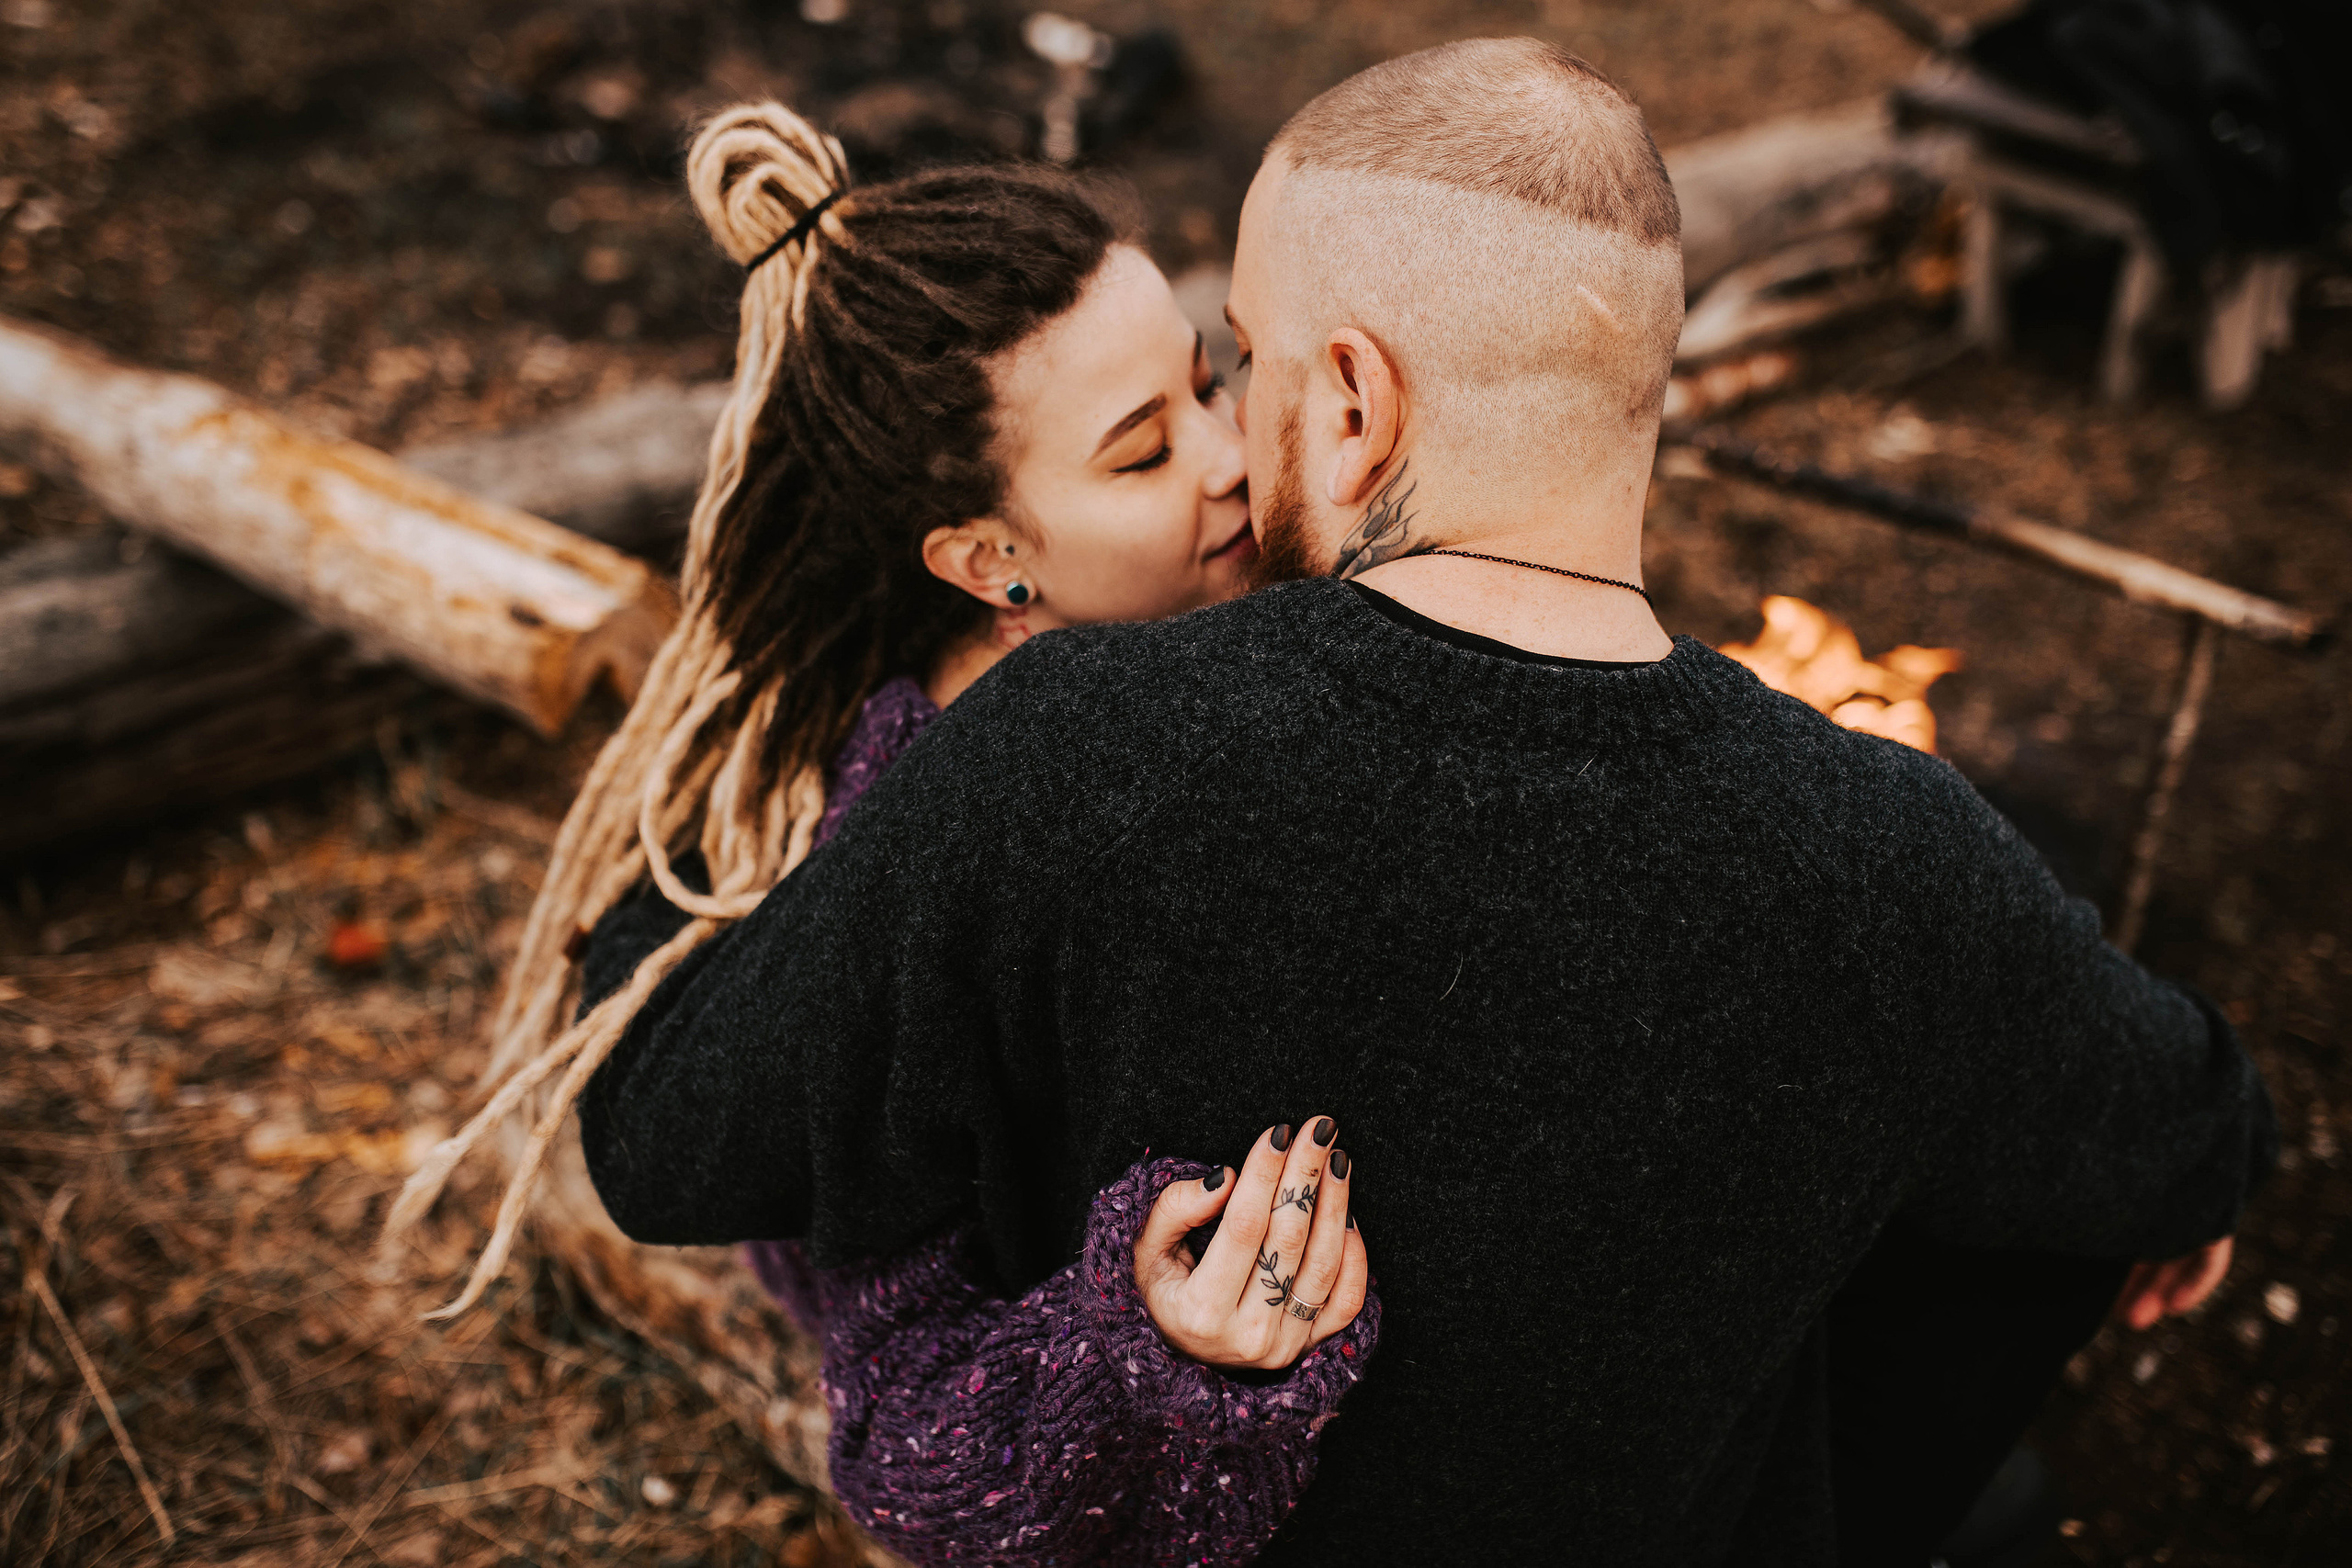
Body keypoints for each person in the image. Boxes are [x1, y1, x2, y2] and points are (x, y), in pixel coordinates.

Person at [575, 39, 2277, 1566]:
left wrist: (673, 851)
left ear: (1358, 400)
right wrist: (2152, 1204)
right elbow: (2196, 1129)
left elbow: (662, 1139)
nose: (1234, 440)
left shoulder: (1062, 754)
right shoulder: (1904, 859)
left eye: (1240, 361)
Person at [381, 104, 1379, 1567]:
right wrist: (1141, 1333)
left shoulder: (1196, 653)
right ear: (989, 560)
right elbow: (911, 1441)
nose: (1233, 458)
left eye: (1208, 384)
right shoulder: (908, 887)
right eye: (1141, 453)